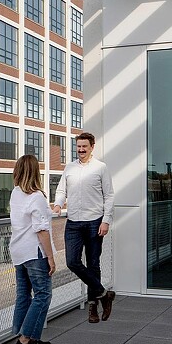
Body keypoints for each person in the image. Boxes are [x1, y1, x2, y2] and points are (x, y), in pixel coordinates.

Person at [52, 132, 116, 323]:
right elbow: (62, 189)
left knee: (93, 264)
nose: (80, 150)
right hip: (73, 222)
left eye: (84, 147)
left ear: (92, 147)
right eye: (78, 146)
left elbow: (109, 196)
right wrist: (57, 204)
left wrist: (106, 220)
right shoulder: (69, 168)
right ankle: (104, 294)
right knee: (72, 262)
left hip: (95, 221)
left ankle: (92, 308)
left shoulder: (100, 168)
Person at [9, 153, 55, 344]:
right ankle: (24, 340)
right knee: (43, 295)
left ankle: (29, 335)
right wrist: (51, 257)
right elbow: (41, 230)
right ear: (35, 172)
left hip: (18, 250)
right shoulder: (37, 196)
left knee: (24, 295)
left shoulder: (15, 193)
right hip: (34, 251)